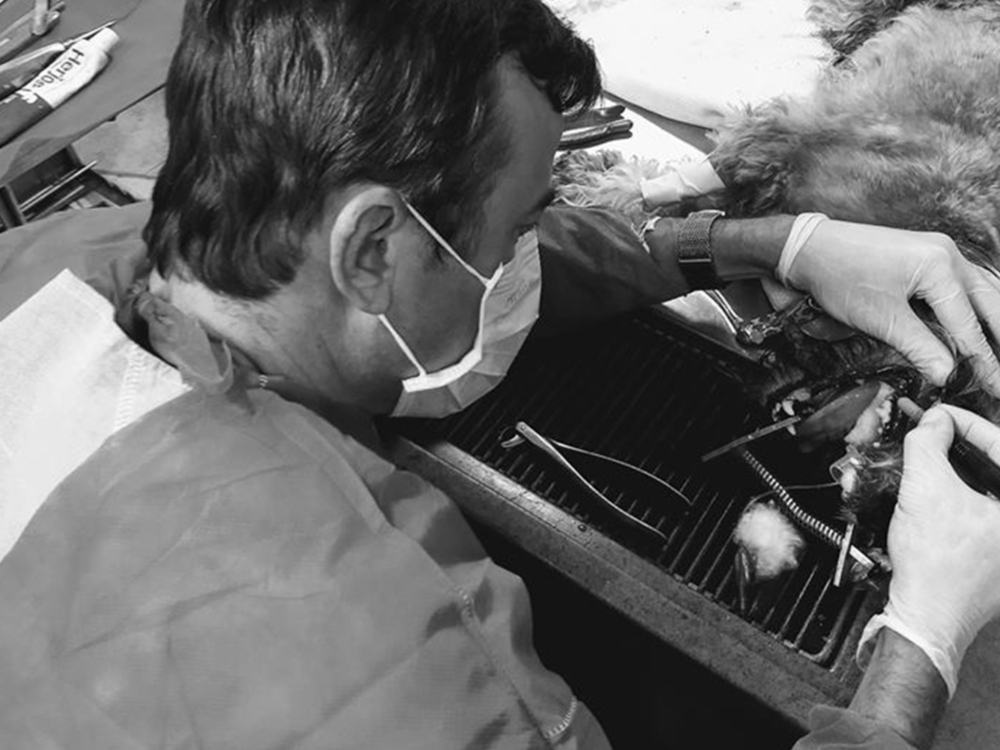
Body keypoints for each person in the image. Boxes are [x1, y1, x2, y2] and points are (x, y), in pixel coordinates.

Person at [0, 0, 999, 747]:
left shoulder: (60, 258)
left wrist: (769, 243)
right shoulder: (406, 672)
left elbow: (468, 274)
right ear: (370, 249)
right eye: (520, 221)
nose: (525, 250)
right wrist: (919, 648)